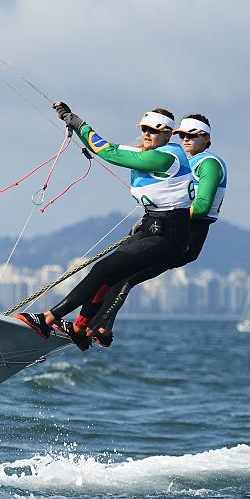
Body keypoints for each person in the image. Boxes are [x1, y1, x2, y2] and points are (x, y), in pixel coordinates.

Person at [15, 102, 192, 348]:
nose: (147, 134)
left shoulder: (164, 157)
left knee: (102, 270)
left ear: (168, 134)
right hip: (152, 227)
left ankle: (47, 320)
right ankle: (80, 329)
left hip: (169, 237)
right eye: (144, 129)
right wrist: (77, 127)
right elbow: (113, 148)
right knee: (109, 276)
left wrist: (79, 123)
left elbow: (109, 152)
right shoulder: (153, 151)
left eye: (154, 130)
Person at [84, 114, 226, 345]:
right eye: (182, 135)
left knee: (127, 277)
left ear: (206, 138)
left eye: (192, 136)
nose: (186, 139)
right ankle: (93, 326)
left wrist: (167, 215)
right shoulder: (182, 161)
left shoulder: (209, 164)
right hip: (163, 228)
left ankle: (95, 329)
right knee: (116, 270)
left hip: (187, 236)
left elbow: (201, 206)